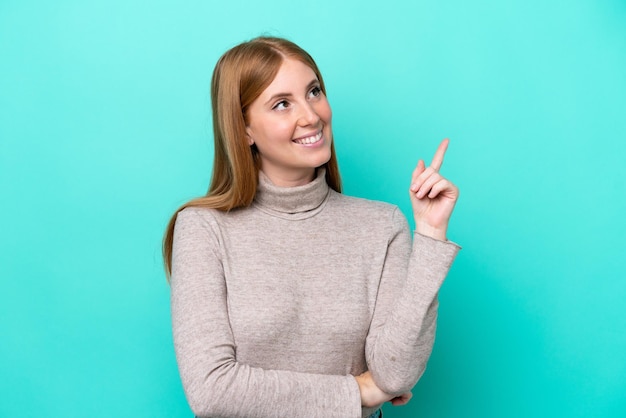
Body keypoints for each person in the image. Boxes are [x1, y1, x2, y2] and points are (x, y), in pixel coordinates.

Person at [163, 36, 460, 418]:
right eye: (282, 104)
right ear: (243, 130)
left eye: (314, 92)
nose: (312, 116)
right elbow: (212, 390)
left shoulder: (382, 225)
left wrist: (431, 236)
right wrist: (358, 390)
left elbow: (395, 373)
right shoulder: (204, 229)